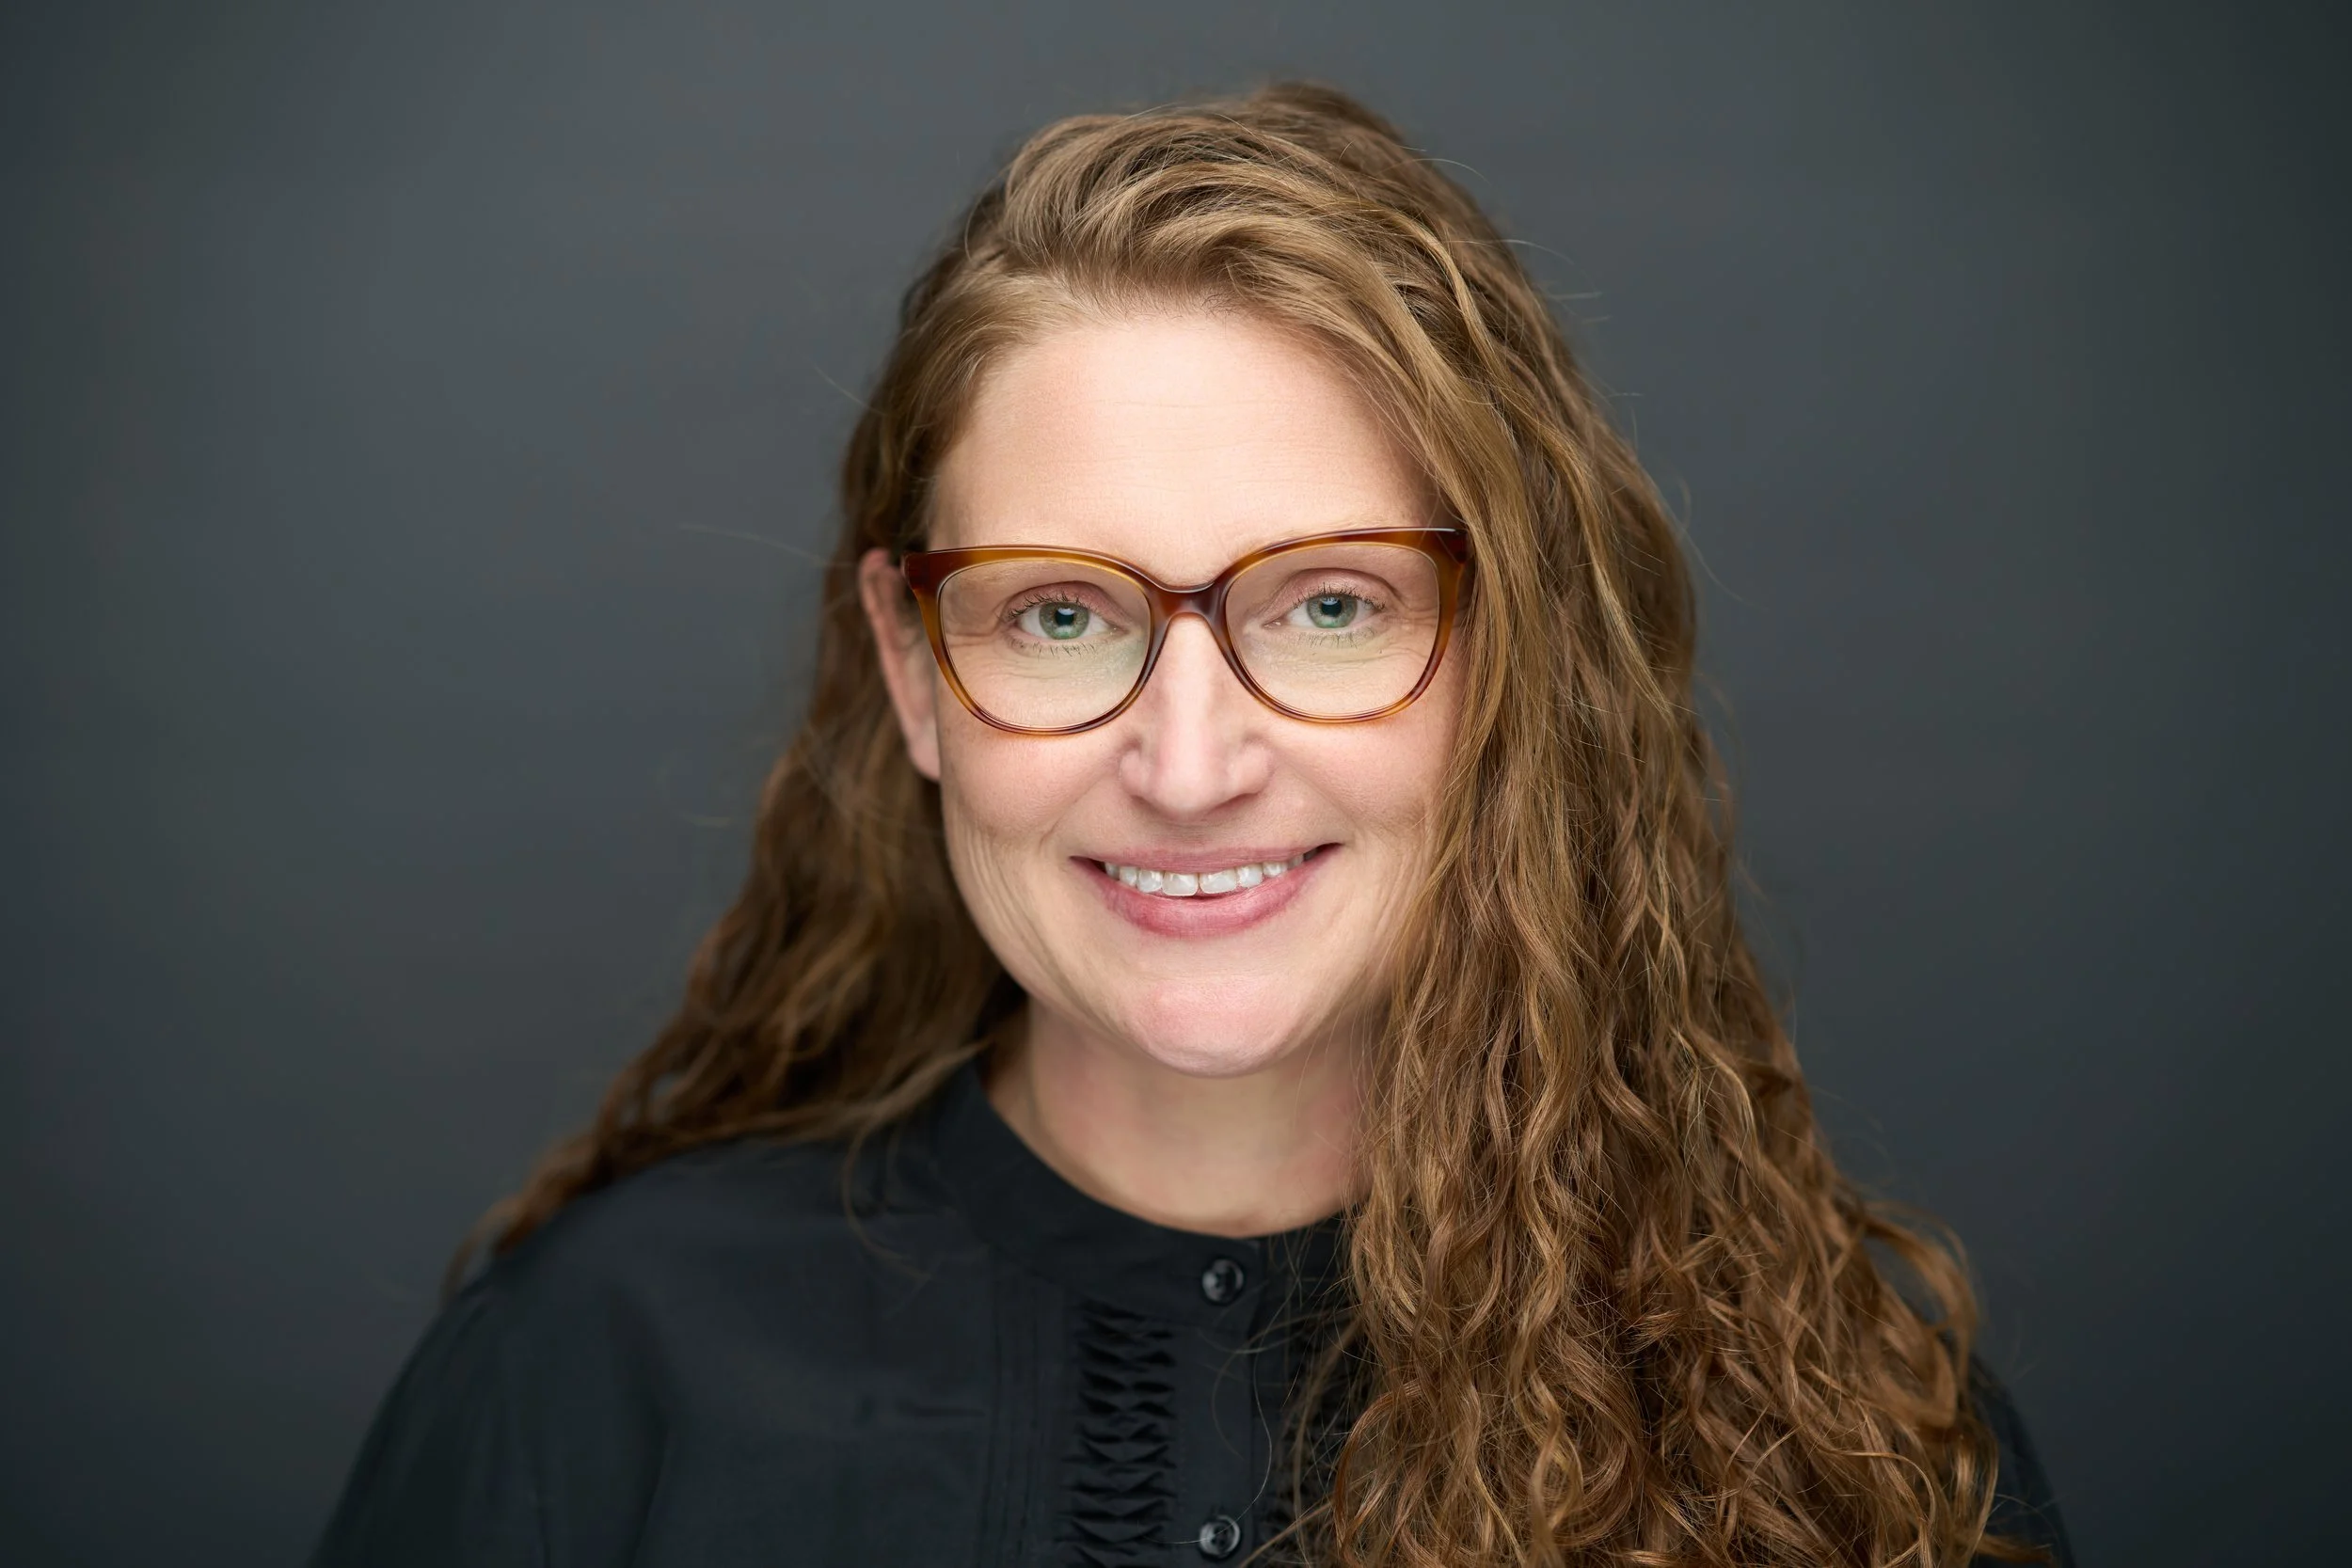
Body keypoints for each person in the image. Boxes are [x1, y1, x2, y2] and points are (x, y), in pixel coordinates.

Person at [311, 84, 2072, 1567]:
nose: (1188, 758)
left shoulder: (1843, 1427)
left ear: (1508, 667)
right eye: (1061, 615)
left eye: (1328, 606)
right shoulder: (594, 1373)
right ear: (914, 674)